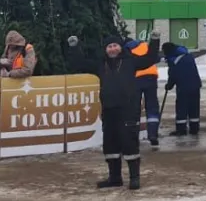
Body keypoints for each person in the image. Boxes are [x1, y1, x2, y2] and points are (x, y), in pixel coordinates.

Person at [66, 31, 160, 190]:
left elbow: (150, 58)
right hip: (109, 110)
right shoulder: (100, 64)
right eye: (109, 46)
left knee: (129, 142)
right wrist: (74, 47)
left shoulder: (131, 61)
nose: (112, 49)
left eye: (115, 45)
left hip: (128, 109)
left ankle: (134, 178)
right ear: (105, 49)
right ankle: (115, 178)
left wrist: (154, 41)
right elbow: (80, 64)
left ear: (120, 47)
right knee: (110, 145)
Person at [124, 36, 161, 148]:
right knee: (152, 106)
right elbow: (156, 58)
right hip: (151, 78)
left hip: (136, 79)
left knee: (135, 108)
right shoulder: (145, 45)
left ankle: (134, 137)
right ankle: (153, 134)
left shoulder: (126, 50)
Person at [162, 42, 202, 136]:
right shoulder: (188, 55)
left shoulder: (174, 60)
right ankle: (194, 128)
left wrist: (169, 85)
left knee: (181, 108)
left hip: (184, 87)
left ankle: (181, 130)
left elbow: (173, 75)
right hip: (195, 85)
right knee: (194, 107)